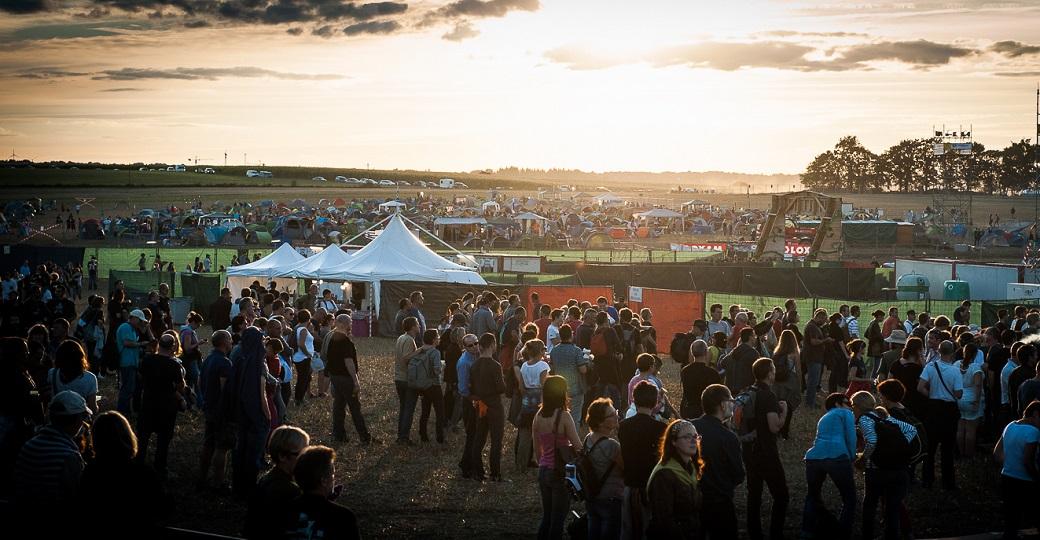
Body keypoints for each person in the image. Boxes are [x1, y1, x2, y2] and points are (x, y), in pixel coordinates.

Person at [81, 411, 167, 536]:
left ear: (96, 439)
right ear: (127, 437)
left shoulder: (90, 472)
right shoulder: (143, 473)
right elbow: (160, 509)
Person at [13, 391, 88, 521]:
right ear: (75, 420)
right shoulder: (68, 456)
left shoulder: (29, 445)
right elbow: (75, 497)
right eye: (83, 417)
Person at [852, 391, 917, 540]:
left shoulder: (865, 419)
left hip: (877, 471)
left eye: (853, 405)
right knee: (892, 507)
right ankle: (891, 536)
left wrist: (863, 459)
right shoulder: (885, 417)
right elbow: (911, 430)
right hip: (899, 469)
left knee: (870, 505)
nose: (852, 409)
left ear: (858, 406)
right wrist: (897, 449)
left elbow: (872, 441)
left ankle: (867, 535)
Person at [531, 375, 582, 540]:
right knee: (558, 520)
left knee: (547, 517)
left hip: (544, 470)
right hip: (559, 472)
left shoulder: (538, 416)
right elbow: (578, 446)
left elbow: (537, 449)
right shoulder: (564, 417)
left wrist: (542, 464)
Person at [744, 358, 789, 540]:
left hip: (749, 449)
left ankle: (754, 532)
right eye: (773, 369)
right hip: (766, 451)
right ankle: (776, 533)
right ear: (769, 373)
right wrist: (784, 411)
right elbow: (774, 426)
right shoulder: (768, 395)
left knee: (754, 493)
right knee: (781, 495)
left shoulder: (748, 391)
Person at [692, 384, 744, 540]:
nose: (733, 404)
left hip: (692, 499)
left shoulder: (690, 427)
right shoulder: (728, 437)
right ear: (722, 405)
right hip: (720, 502)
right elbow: (738, 475)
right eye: (731, 400)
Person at [801, 393, 857, 540]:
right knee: (849, 498)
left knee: (812, 496)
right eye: (847, 402)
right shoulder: (846, 413)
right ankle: (843, 533)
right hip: (837, 457)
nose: (850, 406)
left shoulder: (824, 418)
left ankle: (807, 531)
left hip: (814, 458)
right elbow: (851, 437)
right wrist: (851, 456)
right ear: (838, 404)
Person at [618, 381, 667, 539]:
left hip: (630, 483)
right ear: (654, 403)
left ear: (634, 399)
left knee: (629, 529)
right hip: (651, 485)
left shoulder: (624, 426)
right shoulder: (660, 428)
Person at [136, 332, 186, 478]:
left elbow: (140, 376)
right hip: (166, 406)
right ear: (173, 346)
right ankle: (160, 467)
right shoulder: (174, 365)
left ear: (159, 345)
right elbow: (180, 386)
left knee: (143, 437)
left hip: (148, 403)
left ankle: (138, 464)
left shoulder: (147, 360)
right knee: (163, 439)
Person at [245, 425, 310, 539]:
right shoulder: (288, 491)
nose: (307, 459)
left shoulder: (266, 479)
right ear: (282, 456)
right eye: (302, 454)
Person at [231, 327, 273, 500]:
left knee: (240, 449)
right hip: (256, 413)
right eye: (262, 340)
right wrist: (267, 414)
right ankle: (249, 488)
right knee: (254, 452)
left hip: (241, 412)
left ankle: (237, 485)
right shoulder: (259, 362)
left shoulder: (239, 357)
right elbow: (261, 391)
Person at [285, 445, 361, 539]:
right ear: (324, 480)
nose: (334, 479)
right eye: (333, 474)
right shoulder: (343, 517)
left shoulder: (283, 511)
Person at [917, 339, 963, 491]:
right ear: (952, 353)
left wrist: (931, 394)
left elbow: (920, 387)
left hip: (933, 408)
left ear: (939, 351)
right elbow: (958, 393)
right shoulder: (955, 370)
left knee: (930, 447)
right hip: (949, 410)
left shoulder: (930, 366)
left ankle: (927, 480)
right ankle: (948, 482)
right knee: (947, 448)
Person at [645, 419, 702, 539]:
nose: (693, 441)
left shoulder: (691, 468)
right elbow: (664, 520)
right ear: (674, 441)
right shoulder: (664, 474)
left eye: (695, 436)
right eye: (687, 437)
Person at [993, 400, 1040, 540]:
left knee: (1011, 518)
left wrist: (1010, 464)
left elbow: (996, 453)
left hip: (1007, 477)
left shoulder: (1010, 426)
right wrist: (1037, 479)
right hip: (1025, 481)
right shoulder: (1034, 432)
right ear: (1036, 414)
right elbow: (1028, 461)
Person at [325, 314, 372, 444]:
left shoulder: (332, 338)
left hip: (335, 376)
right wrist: (355, 381)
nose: (351, 325)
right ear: (343, 324)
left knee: (339, 405)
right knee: (355, 407)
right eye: (350, 322)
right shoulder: (345, 342)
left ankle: (338, 434)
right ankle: (364, 437)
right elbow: (348, 362)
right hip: (345, 378)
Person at [582, 398, 625, 539]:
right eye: (613, 415)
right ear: (601, 423)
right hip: (611, 499)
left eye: (616, 412)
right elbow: (626, 469)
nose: (617, 416)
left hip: (592, 496)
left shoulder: (588, 438)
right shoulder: (612, 446)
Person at [197, 329, 235, 491]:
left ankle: (202, 477)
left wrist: (205, 398)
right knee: (222, 447)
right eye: (230, 339)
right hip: (220, 411)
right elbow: (224, 388)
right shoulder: (224, 363)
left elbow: (199, 382)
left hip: (209, 407)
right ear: (223, 342)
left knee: (208, 444)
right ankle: (218, 482)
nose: (232, 341)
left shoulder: (209, 359)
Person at [470, 332, 507, 481]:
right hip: (494, 406)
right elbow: (501, 388)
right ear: (492, 345)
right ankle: (495, 473)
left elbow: (472, 387)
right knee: (496, 440)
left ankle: (478, 471)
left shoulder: (474, 364)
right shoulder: (495, 365)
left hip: (480, 405)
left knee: (479, 438)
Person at [394, 317, 427, 445]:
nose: (419, 326)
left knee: (404, 408)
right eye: (417, 324)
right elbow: (406, 359)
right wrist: (420, 350)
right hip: (407, 379)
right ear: (413, 327)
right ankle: (404, 437)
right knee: (408, 409)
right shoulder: (408, 340)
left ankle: (401, 434)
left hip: (399, 378)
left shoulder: (401, 338)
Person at [549, 324, 588, 427]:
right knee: (575, 418)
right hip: (576, 389)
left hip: (560, 389)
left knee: (561, 417)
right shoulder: (576, 350)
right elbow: (583, 370)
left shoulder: (554, 351)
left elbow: (552, 369)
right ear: (571, 335)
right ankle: (573, 440)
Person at [48, 340, 98, 414]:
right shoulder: (90, 378)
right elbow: (93, 409)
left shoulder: (52, 373)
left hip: (56, 418)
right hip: (78, 421)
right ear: (80, 357)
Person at [415, 329, 446, 444]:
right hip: (434, 385)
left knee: (425, 411)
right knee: (440, 412)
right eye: (438, 337)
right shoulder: (435, 352)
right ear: (433, 340)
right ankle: (440, 436)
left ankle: (423, 434)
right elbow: (436, 370)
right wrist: (443, 367)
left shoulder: (420, 350)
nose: (439, 338)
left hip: (422, 385)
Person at [116, 309, 150, 414]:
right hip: (127, 362)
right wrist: (142, 344)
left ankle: (125, 410)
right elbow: (127, 343)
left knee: (130, 387)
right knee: (127, 388)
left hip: (131, 362)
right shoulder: (126, 327)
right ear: (134, 318)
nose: (140, 323)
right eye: (139, 320)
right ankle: (122, 411)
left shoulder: (131, 328)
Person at [457, 333, 480, 478]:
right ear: (464, 347)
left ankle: (470, 463)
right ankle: (466, 465)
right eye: (470, 345)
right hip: (470, 401)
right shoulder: (464, 362)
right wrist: (474, 399)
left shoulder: (477, 356)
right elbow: (463, 388)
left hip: (477, 400)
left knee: (477, 434)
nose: (475, 347)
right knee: (472, 434)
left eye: (476, 343)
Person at [957, 342, 984, 458]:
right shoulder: (975, 367)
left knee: (960, 429)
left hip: (959, 399)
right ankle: (969, 455)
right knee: (970, 430)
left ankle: (961, 452)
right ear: (975, 354)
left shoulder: (956, 364)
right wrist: (977, 401)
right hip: (971, 399)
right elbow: (978, 385)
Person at [680, 339, 721, 419]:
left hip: (689, 409)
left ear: (692, 352)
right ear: (706, 352)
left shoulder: (685, 371)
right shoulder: (713, 374)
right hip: (706, 411)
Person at [802, 309, 832, 408]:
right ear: (819, 317)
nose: (824, 322)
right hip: (813, 357)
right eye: (824, 319)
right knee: (813, 380)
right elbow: (813, 341)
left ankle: (811, 400)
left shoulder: (815, 326)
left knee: (814, 380)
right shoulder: (812, 327)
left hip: (815, 357)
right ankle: (810, 403)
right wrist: (825, 340)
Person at [718, 327, 757, 395]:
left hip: (731, 390)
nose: (755, 338)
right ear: (750, 337)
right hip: (745, 391)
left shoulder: (734, 351)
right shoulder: (753, 354)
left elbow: (723, 363)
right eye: (754, 336)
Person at [291, 310, 315, 405]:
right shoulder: (303, 330)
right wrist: (308, 354)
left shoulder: (298, 327)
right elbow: (301, 344)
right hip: (303, 358)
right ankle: (299, 399)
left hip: (299, 357)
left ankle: (299, 397)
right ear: (309, 319)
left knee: (306, 377)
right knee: (303, 379)